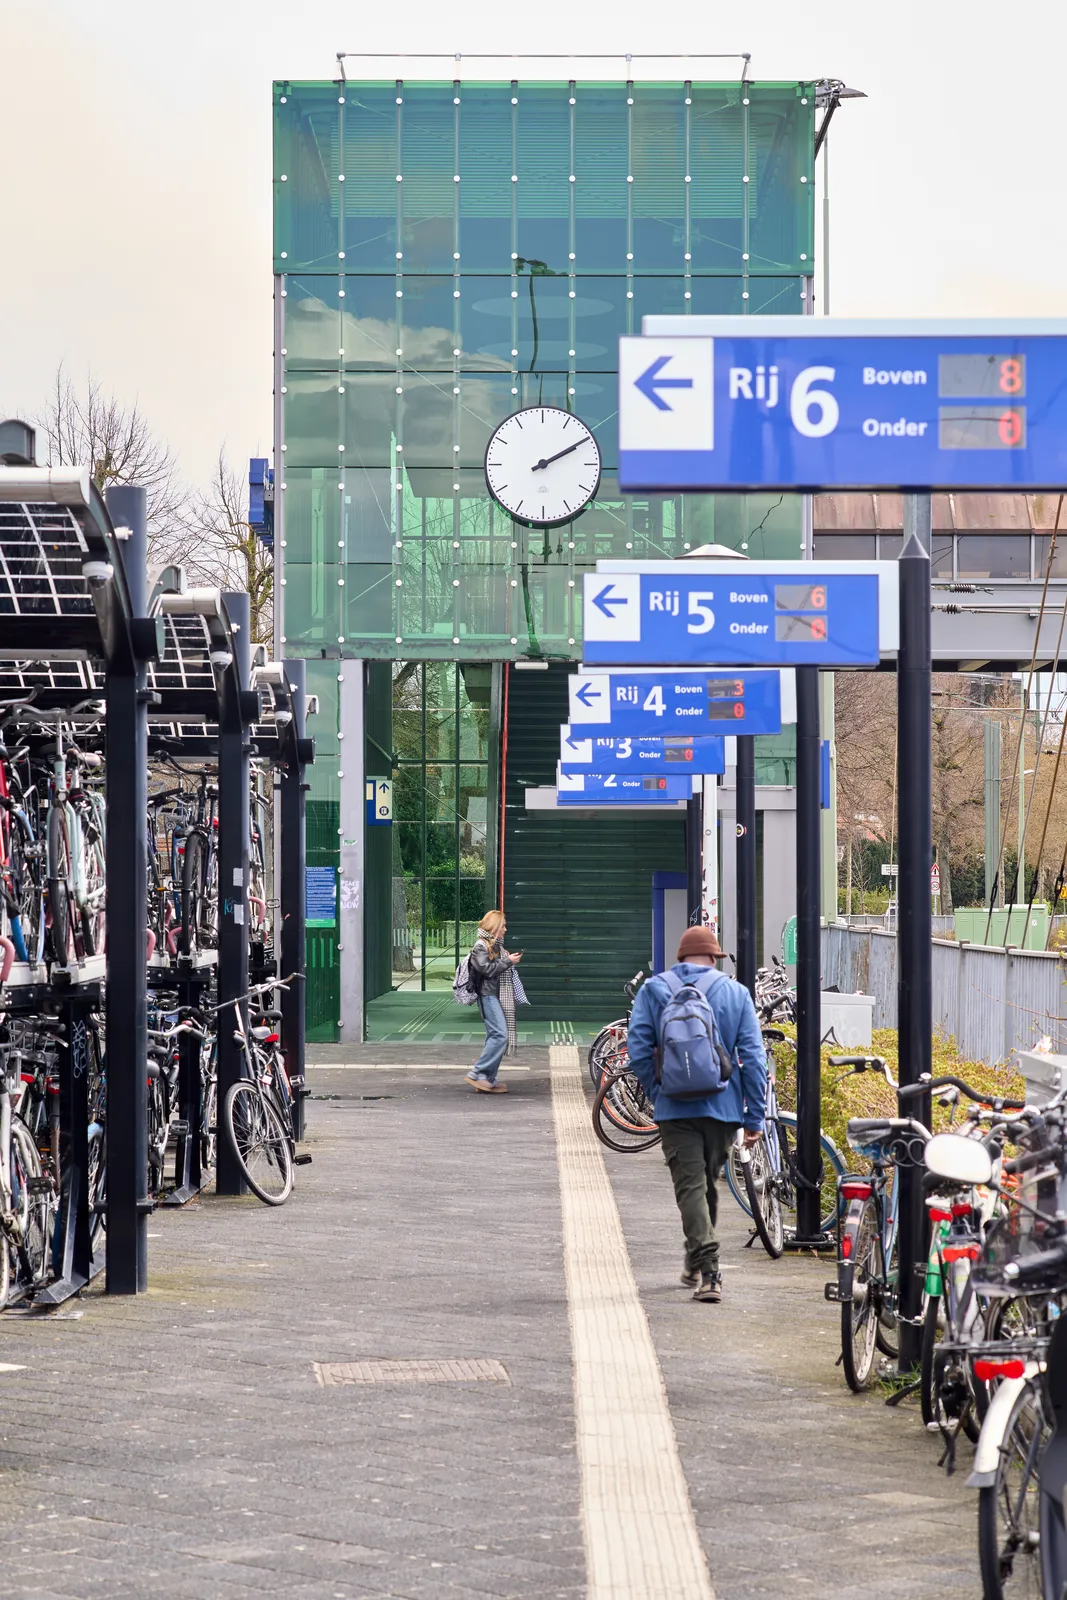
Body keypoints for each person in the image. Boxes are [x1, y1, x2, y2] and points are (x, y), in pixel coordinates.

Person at [627, 925, 767, 1303]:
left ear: (680, 957)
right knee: (706, 1184)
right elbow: (753, 1058)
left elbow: (637, 1051)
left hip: (675, 1110)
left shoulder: (654, 990)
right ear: (714, 958)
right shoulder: (736, 993)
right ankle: (707, 1266)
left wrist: (659, 1091)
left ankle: (703, 1264)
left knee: (692, 1187)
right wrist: (754, 1116)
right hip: (723, 1108)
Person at [465, 910, 523, 1095]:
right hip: (487, 995)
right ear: (494, 927)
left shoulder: (495, 945)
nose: (505, 929)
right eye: (503, 926)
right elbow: (487, 970)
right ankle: (477, 1073)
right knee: (500, 1035)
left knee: (495, 1036)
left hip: (494, 995)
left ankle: (486, 1078)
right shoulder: (481, 946)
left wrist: (506, 959)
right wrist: (508, 962)